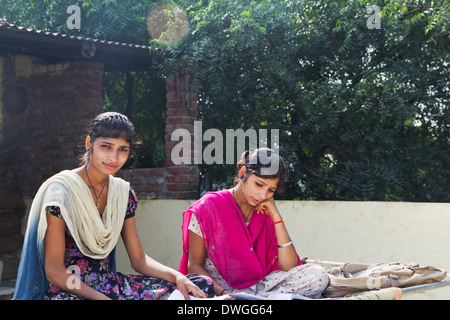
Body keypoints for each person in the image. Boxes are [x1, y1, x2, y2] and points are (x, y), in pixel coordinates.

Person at [14, 112, 213, 300]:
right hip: (68, 288)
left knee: (198, 285)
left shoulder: (123, 195)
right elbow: (54, 270)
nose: (114, 157)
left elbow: (139, 260)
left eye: (122, 149)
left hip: (108, 284)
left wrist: (178, 276)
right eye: (106, 146)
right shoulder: (61, 192)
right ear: (88, 144)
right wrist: (101, 298)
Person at [179, 148, 329, 298]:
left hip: (260, 285)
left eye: (271, 190)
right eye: (259, 184)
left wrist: (277, 217)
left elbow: (289, 267)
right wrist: (226, 293)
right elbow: (194, 265)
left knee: (319, 276)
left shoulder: (264, 210)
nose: (263, 194)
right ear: (243, 172)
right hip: (221, 287)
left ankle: (251, 299)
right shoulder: (207, 207)